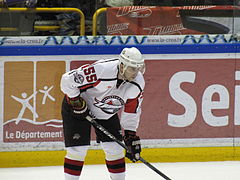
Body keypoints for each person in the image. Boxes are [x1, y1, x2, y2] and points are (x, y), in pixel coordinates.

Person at [60, 47, 145, 180]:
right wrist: (76, 101)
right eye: (132, 68)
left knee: (115, 149)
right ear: (122, 65)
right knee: (78, 150)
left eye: (138, 68)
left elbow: (132, 110)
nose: (136, 73)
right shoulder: (101, 70)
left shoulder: (138, 83)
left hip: (107, 112)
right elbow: (67, 80)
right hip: (78, 109)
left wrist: (130, 134)